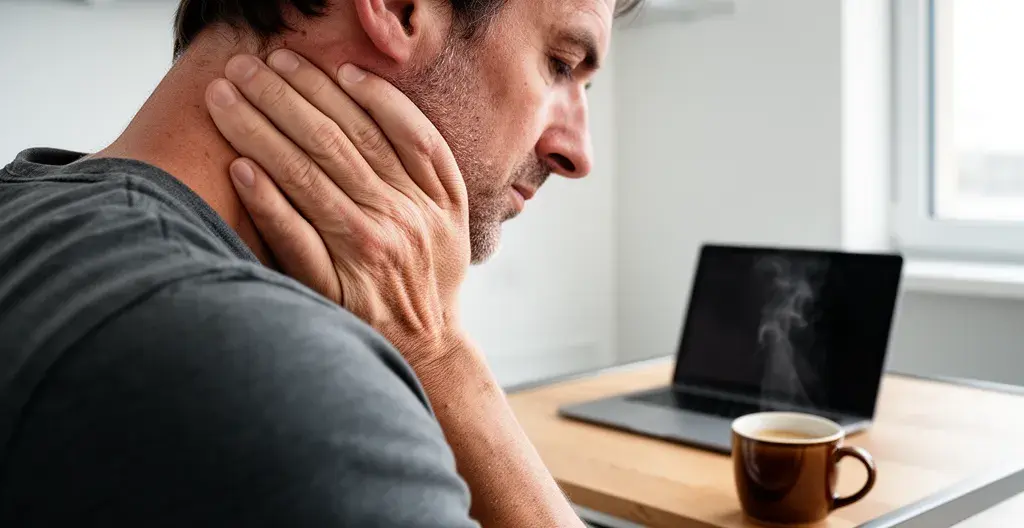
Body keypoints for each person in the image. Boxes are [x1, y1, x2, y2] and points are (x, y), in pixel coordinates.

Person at [0, 0, 641, 526]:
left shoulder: (29, 218)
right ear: (397, 8)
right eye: (560, 63)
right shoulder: (283, 384)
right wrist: (442, 358)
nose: (577, 152)